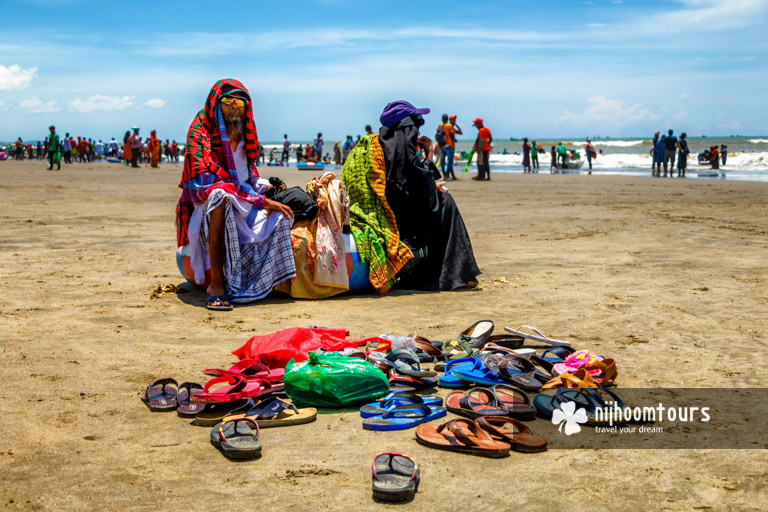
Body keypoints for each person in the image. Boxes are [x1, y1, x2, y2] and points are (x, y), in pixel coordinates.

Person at [176, 78, 295, 310]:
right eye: (228, 100)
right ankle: (217, 285)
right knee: (221, 197)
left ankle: (257, 284)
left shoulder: (243, 136)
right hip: (210, 208)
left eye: (240, 102)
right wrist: (259, 200)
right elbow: (200, 184)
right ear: (217, 103)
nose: (234, 106)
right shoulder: (200, 131)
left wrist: (266, 189)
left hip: (245, 202)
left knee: (282, 214)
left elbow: (246, 178)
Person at [341, 99, 480, 292]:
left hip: (370, 218)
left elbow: (406, 185)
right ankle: (455, 274)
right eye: (416, 126)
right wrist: (429, 157)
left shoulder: (369, 147)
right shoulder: (400, 150)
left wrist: (428, 182)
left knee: (439, 199)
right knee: (445, 202)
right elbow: (420, 200)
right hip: (395, 226)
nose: (418, 133)